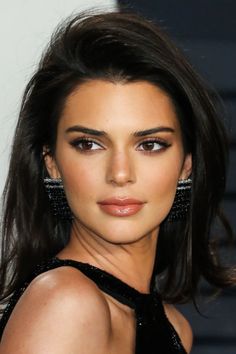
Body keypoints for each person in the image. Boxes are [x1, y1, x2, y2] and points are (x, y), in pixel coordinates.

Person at [0, 8, 235, 354]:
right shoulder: (66, 303)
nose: (120, 173)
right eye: (90, 144)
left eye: (150, 145)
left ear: (186, 164)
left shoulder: (173, 326)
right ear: (52, 164)